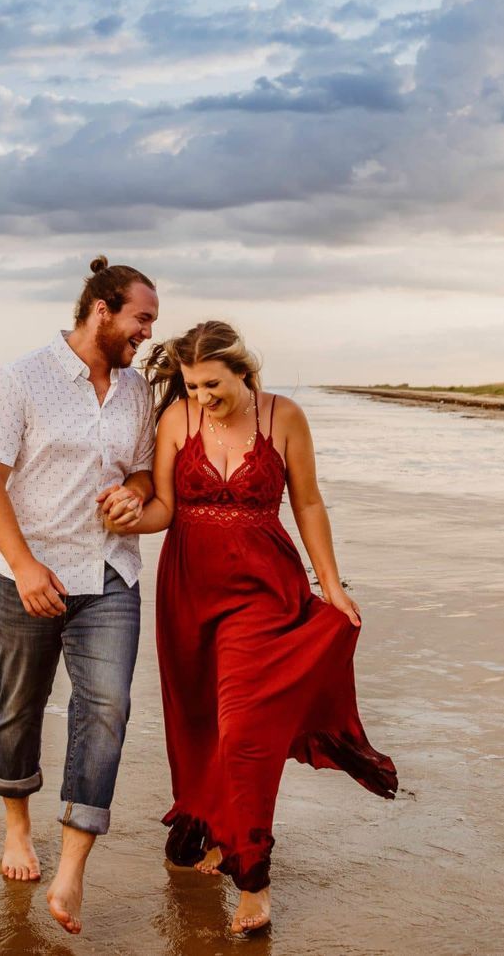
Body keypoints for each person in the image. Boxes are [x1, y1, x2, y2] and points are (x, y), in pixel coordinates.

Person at [111, 319, 397, 936]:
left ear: (243, 370)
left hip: (264, 592)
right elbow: (163, 507)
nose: (202, 398)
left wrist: (332, 583)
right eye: (190, 386)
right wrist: (129, 516)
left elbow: (308, 502)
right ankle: (218, 828)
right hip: (189, 592)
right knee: (198, 725)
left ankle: (253, 879)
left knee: (243, 730)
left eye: (212, 384)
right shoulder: (176, 421)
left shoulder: (284, 417)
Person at [0, 256, 160, 936]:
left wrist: (134, 495)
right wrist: (23, 566)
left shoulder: (136, 392)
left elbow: (140, 469)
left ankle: (73, 867)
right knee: (19, 703)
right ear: (101, 310)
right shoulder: (20, 379)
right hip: (30, 575)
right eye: (141, 319)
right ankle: (17, 828)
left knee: (107, 708)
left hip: (111, 575)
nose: (147, 335)